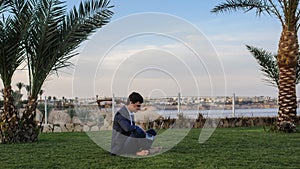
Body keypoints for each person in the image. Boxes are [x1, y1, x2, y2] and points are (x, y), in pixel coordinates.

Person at [110, 92, 161, 156]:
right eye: (138, 105)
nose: (139, 108)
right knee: (138, 130)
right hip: (120, 147)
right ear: (131, 103)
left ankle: (145, 149)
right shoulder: (121, 114)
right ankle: (147, 150)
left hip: (128, 142)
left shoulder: (130, 114)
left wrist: (142, 131)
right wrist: (138, 128)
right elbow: (127, 128)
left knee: (151, 132)